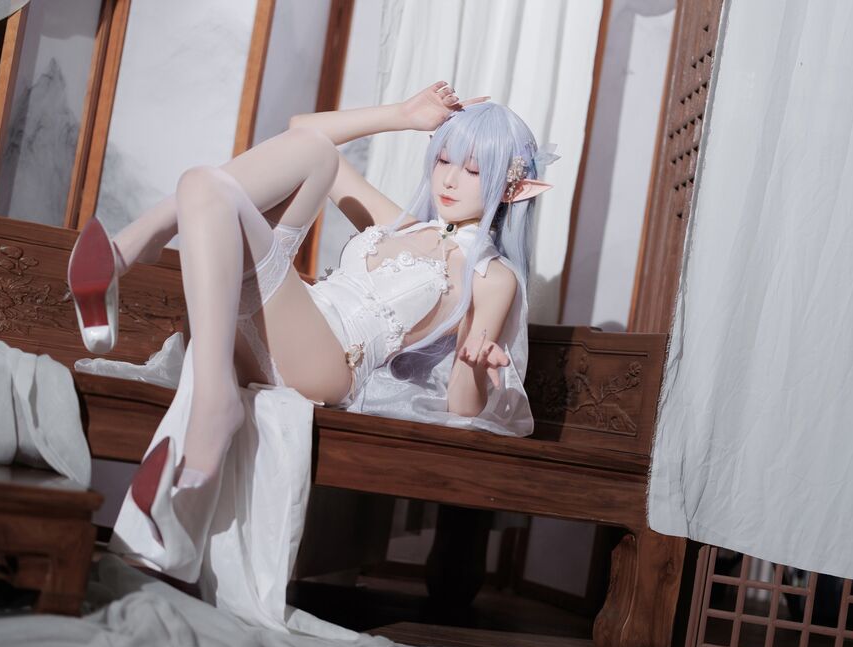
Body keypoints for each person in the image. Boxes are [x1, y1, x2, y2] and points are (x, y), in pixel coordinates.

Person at [67, 80, 555, 547]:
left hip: (327, 361)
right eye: (444, 159)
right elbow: (304, 131)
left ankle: (133, 261)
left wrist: (473, 365)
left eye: (473, 171)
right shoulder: (398, 224)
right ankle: (124, 254)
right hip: (265, 323)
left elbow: (463, 410)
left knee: (210, 184)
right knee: (231, 175)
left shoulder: (493, 277)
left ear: (512, 189)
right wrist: (402, 115)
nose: (449, 179)